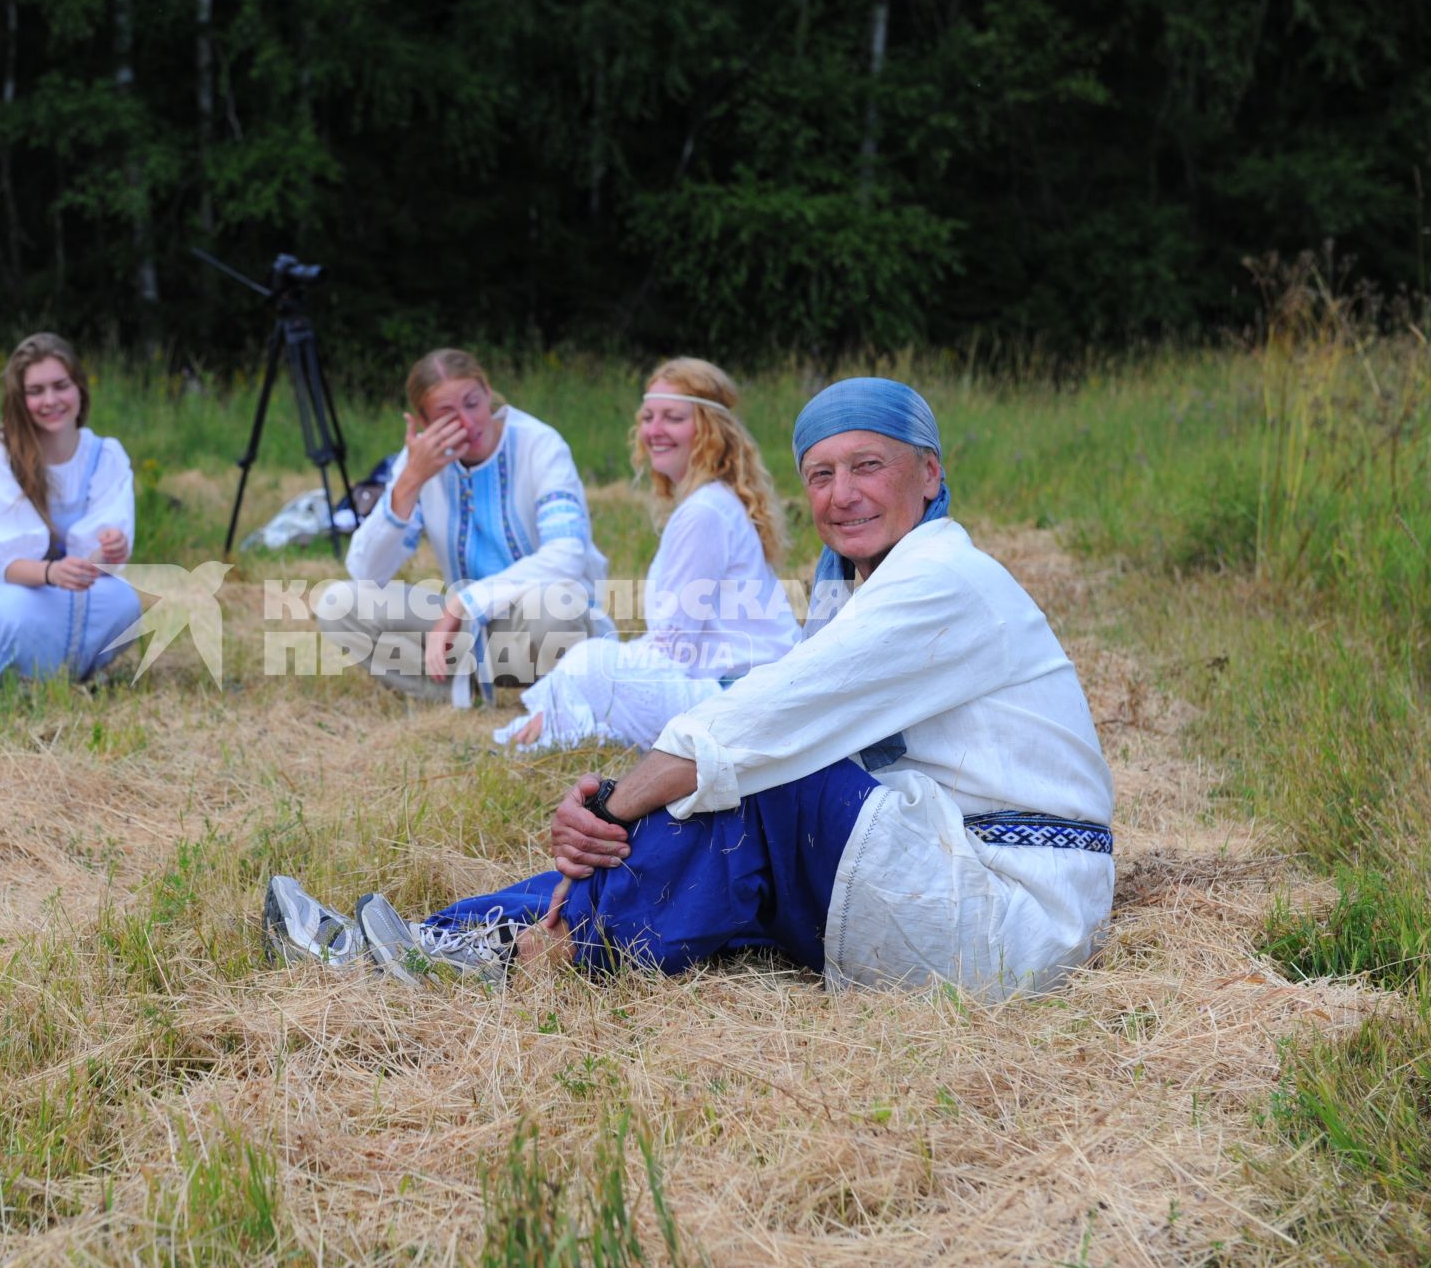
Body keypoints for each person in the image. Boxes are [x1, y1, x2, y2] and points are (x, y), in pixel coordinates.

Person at [268, 378, 1116, 1000]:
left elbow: (774, 715)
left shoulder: (944, 579)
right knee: (729, 798)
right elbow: (772, 697)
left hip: (1011, 915)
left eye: (868, 466)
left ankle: (462, 948)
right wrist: (623, 792)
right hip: (940, 860)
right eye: (821, 475)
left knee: (760, 774)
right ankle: (454, 942)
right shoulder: (867, 581)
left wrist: (618, 804)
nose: (842, 495)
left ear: (929, 475)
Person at [493, 358, 802, 751]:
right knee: (590, 666)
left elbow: (672, 649)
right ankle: (562, 722)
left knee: (591, 663)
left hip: (738, 699)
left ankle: (560, 724)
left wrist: (574, 680)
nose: (654, 430)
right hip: (730, 689)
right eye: (648, 416)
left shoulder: (705, 511)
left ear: (709, 429)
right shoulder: (707, 503)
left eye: (673, 417)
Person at [313, 348, 611, 706]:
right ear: (423, 422)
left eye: (472, 403)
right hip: (470, 633)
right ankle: (456, 694)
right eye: (447, 414)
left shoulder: (540, 444)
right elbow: (366, 572)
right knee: (338, 604)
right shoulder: (418, 464)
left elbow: (566, 556)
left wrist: (463, 603)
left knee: (556, 604)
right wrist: (410, 482)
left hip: (545, 624)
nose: (468, 423)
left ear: (487, 392)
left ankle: (560, 698)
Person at [0, 332, 142, 707]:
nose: (50, 401)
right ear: (20, 400)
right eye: (36, 391)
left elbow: (97, 563)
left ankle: (59, 682)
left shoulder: (104, 455)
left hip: (60, 589)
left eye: (61, 386)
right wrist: (51, 574)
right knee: (19, 610)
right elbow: (3, 561)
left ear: (79, 389)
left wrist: (110, 548)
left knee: (124, 601)